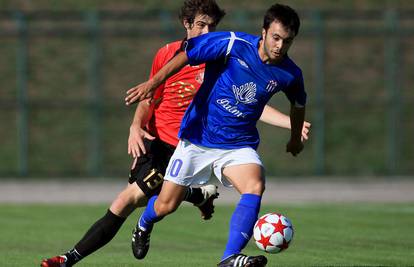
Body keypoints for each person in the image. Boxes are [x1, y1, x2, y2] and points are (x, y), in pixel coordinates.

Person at [40, 1, 226, 267]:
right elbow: (149, 98)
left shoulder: (220, 62)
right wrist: (135, 127)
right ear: (187, 24)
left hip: (190, 148)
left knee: (148, 200)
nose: (208, 32)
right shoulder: (167, 54)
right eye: (201, 25)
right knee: (134, 199)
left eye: (212, 26)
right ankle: (198, 196)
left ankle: (68, 259)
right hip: (159, 143)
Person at [124, 3, 307, 267]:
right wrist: (152, 84)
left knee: (255, 184)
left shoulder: (290, 74)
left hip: (237, 145)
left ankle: (229, 257)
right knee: (165, 205)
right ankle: (144, 223)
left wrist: (294, 139)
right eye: (276, 37)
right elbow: (187, 55)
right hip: (198, 139)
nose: (280, 46)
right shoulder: (233, 44)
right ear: (264, 32)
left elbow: (298, 105)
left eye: (287, 41)